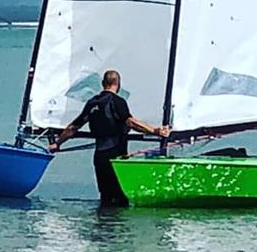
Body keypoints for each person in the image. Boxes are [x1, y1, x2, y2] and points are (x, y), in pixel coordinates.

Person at [48, 69, 170, 206]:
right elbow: (130, 122)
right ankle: (114, 225)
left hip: (99, 156)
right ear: (118, 84)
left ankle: (102, 224)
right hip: (115, 156)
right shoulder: (117, 101)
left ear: (102, 83)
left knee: (105, 197)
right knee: (119, 198)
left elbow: (72, 128)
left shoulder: (92, 102)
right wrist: (155, 130)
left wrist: (57, 143)